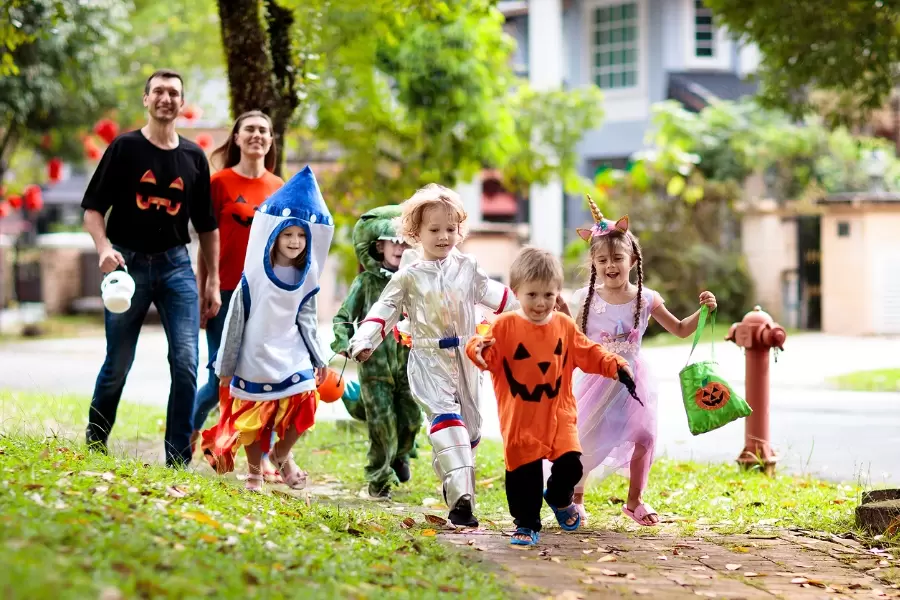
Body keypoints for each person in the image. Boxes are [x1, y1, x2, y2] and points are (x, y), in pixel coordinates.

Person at [349, 184, 518, 527]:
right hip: (427, 360)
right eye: (434, 229)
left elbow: (496, 295)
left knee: (470, 432)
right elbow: (386, 309)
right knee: (447, 422)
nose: (443, 236)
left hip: (468, 359)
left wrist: (531, 309)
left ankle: (452, 476)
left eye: (450, 229)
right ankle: (462, 502)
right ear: (415, 233)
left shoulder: (468, 267)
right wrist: (364, 340)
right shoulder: (408, 276)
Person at [81, 68, 220, 467]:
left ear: (181, 102)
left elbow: (207, 226)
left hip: (177, 266)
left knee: (186, 362)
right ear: (146, 99)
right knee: (119, 361)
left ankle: (177, 457)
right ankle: (96, 441)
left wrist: (210, 283)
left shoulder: (193, 157)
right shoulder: (125, 149)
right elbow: (92, 210)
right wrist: (103, 248)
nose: (166, 98)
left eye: (174, 92)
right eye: (158, 91)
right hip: (127, 263)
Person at [465, 247, 630, 546]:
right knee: (523, 477)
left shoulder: (563, 326)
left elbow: (588, 351)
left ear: (558, 294)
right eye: (532, 295)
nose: (540, 303)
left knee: (572, 466)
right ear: (516, 292)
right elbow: (481, 345)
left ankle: (558, 497)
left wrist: (615, 365)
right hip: (521, 419)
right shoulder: (505, 326)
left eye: (548, 296)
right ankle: (526, 523)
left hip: (559, 414)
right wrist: (478, 350)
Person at [567, 197, 717, 526]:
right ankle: (575, 498)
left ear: (632, 259)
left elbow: (679, 329)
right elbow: (571, 338)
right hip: (596, 379)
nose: (611, 265)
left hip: (634, 382)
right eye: (603, 259)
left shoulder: (646, 299)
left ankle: (634, 501)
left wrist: (703, 311)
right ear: (593, 261)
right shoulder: (585, 299)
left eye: (618, 258)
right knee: (587, 439)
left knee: (645, 436)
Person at [200, 166, 333, 491]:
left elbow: (307, 320)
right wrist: (227, 365)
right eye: (288, 234)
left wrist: (318, 357)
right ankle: (254, 472)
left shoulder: (308, 277)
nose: (295, 241)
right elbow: (235, 321)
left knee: (305, 400)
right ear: (274, 236)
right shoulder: (255, 275)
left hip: (292, 351)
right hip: (255, 353)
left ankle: (281, 454)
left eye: (301, 235)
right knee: (254, 415)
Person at [191, 110, 284, 479]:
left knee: (267, 373)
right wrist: (205, 288)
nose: (257, 135)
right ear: (237, 137)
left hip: (265, 293)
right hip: (226, 288)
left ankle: (260, 456)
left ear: (271, 139)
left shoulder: (279, 186)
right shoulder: (219, 183)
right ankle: (186, 435)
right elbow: (205, 240)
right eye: (250, 130)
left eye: (264, 130)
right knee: (220, 373)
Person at [331, 205, 422, 500]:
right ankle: (379, 478)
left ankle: (401, 455)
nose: (399, 247)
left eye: (404, 242)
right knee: (382, 426)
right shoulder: (365, 282)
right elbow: (343, 317)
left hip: (409, 368)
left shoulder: (414, 280)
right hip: (374, 371)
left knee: (411, 420)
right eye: (391, 241)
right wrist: (343, 342)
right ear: (378, 246)